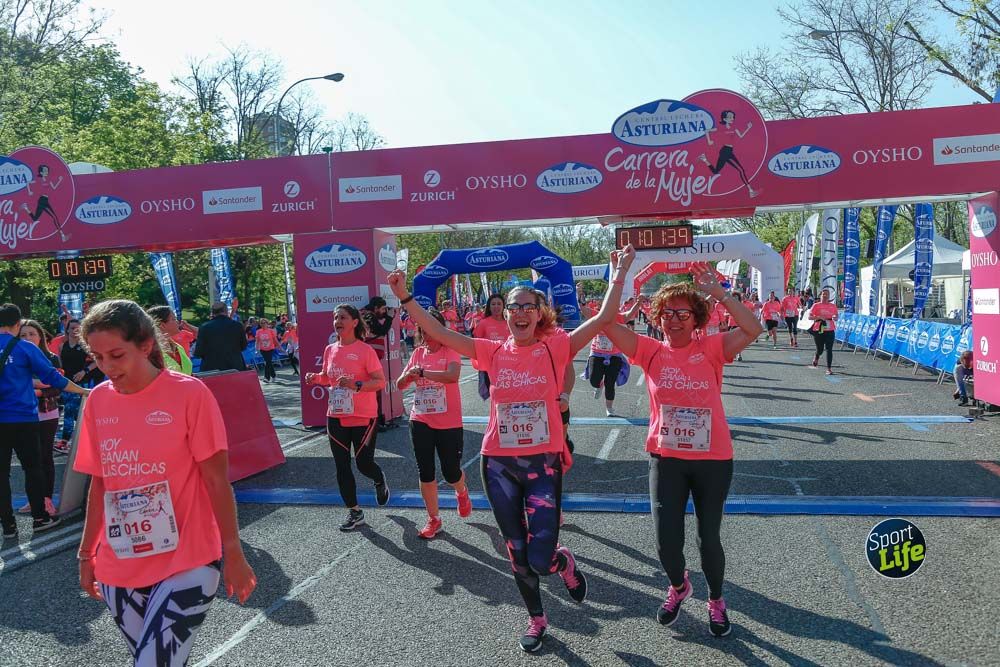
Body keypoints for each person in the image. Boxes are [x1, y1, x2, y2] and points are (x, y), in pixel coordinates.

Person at [387, 244, 636, 653]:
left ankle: (560, 562)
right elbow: (441, 333)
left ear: (539, 314)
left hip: (542, 463)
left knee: (540, 557)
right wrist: (404, 297)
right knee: (516, 552)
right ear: (505, 316)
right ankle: (537, 618)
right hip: (498, 464)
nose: (520, 312)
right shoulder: (491, 351)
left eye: (528, 307)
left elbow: (604, 318)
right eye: (514, 307)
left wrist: (620, 272)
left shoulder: (556, 345)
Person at [73, 300, 256, 666]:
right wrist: (86, 553)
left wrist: (233, 551)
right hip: (120, 565)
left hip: (188, 560)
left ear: (145, 345)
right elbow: (100, 483)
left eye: (116, 355)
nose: (107, 367)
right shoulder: (97, 401)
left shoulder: (190, 395)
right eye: (98, 357)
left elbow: (216, 480)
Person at [599, 262, 762, 638]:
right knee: (666, 542)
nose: (674, 320)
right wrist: (619, 280)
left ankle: (716, 600)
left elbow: (753, 328)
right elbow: (606, 324)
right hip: (667, 457)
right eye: (667, 313)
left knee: (708, 539)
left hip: (712, 459)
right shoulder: (649, 350)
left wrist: (720, 293)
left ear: (696, 318)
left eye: (682, 314)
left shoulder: (712, 347)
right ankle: (678, 585)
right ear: (657, 318)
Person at [1, 304, 88, 539]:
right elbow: (52, 377)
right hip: (23, 417)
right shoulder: (24, 347)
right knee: (33, 467)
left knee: (1, 473)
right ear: (17, 324)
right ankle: (40, 517)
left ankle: (8, 525)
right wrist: (83, 391)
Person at [305, 305, 390, 531]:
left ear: (354, 322)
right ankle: (355, 512)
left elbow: (380, 381)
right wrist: (316, 378)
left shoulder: (365, 350)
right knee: (341, 466)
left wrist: (356, 385)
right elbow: (327, 377)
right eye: (335, 317)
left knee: (363, 464)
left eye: (343, 317)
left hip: (363, 415)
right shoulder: (330, 349)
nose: (338, 321)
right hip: (336, 415)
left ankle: (379, 478)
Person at [396, 309, 472, 539]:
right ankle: (434, 519)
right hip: (420, 418)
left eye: (431, 329)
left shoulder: (450, 351)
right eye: (423, 329)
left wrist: (424, 373)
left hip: (448, 421)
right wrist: (409, 376)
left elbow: (452, 376)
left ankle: (461, 491)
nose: (427, 334)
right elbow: (400, 385)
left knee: (451, 472)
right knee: (425, 471)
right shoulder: (418, 353)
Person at [17, 320, 64, 516]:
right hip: (21, 416)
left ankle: (46, 500)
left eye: (32, 334)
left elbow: (57, 387)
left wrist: (35, 391)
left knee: (45, 457)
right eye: (23, 335)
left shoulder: (51, 358)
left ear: (40, 337)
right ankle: (34, 499)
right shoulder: (15, 357)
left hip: (46, 414)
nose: (28, 338)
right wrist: (36, 384)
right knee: (30, 460)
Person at [58, 318, 105, 453]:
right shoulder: (62, 346)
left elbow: (98, 359)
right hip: (66, 383)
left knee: (70, 410)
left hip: (80, 383)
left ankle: (65, 441)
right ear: (67, 330)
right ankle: (91, 439)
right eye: (72, 328)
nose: (75, 330)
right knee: (76, 413)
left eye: (78, 328)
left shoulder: (84, 346)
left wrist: (84, 371)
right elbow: (60, 364)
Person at [698, 110, 759, 198]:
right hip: (725, 152)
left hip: (729, 151)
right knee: (741, 170)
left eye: (733, 117)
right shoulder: (720, 128)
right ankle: (751, 191)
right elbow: (707, 130)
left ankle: (704, 159)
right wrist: (709, 141)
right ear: (724, 119)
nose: (732, 118)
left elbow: (741, 136)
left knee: (716, 171)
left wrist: (748, 128)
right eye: (730, 117)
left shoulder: (734, 128)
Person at [192, 302, 248, 373]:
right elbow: (243, 346)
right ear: (226, 311)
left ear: (212, 313)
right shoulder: (237, 326)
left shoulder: (204, 328)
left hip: (211, 370)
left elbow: (198, 352)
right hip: (234, 367)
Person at [473, 294, 508, 399]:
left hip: (508, 363)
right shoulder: (483, 323)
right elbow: (476, 343)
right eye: (493, 304)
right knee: (495, 393)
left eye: (499, 304)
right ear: (489, 306)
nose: (496, 306)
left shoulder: (510, 322)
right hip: (491, 365)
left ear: (504, 306)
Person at [147, 306, 193, 376]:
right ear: (162, 325)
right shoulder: (151, 352)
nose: (177, 321)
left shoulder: (178, 347)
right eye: (174, 319)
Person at [805, 288, 838, 375]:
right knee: (820, 349)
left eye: (827, 294)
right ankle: (817, 356)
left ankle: (829, 368)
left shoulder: (833, 306)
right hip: (819, 329)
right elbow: (809, 317)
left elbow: (836, 316)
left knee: (829, 349)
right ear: (821, 295)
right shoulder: (816, 305)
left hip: (830, 329)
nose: (825, 295)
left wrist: (835, 317)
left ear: (829, 296)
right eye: (824, 294)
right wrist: (818, 317)